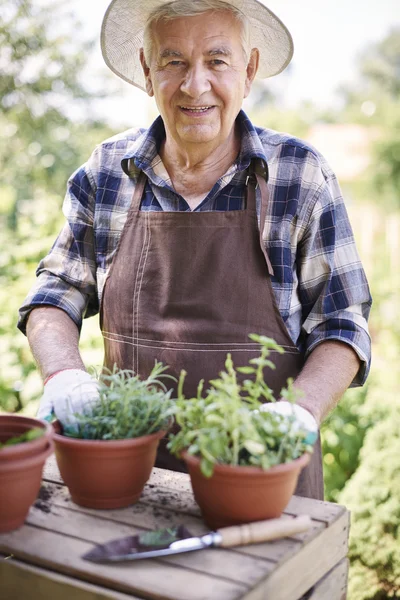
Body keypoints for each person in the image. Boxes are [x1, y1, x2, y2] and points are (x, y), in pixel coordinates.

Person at [18, 0, 372, 499]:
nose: (195, 85)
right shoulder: (105, 173)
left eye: (217, 60)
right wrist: (63, 376)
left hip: (259, 480)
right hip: (126, 478)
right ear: (147, 71)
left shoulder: (301, 175)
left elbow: (343, 322)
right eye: (174, 61)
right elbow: (55, 293)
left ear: (249, 70)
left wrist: (299, 411)